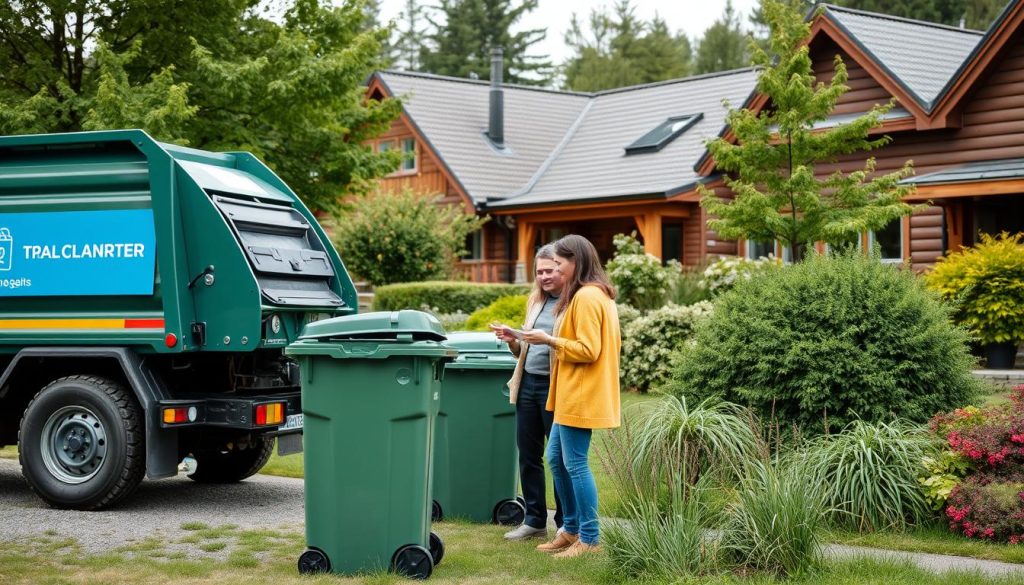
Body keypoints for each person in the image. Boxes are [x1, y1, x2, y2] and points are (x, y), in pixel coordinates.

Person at [521, 234, 620, 558]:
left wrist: (550, 341)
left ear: (576, 262)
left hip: (582, 393)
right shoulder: (584, 295)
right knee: (554, 459)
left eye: (560, 264)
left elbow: (589, 350)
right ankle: (571, 529)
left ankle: (589, 537)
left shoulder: (589, 297)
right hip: (568, 394)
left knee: (575, 464)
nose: (556, 271)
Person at [492, 244, 564, 540]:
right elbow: (523, 350)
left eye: (549, 270)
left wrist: (547, 339)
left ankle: (565, 523)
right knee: (528, 455)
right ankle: (534, 520)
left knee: (559, 457)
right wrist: (513, 339)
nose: (544, 277)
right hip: (528, 385)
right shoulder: (537, 302)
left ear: (563, 269)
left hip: (556, 387)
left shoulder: (573, 304)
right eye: (539, 272)